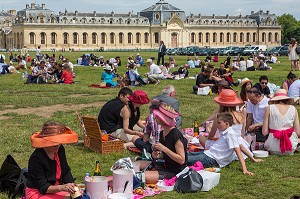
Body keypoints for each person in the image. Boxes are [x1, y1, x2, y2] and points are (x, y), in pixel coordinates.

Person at [188, 112, 262, 175]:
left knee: (185, 159)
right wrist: (253, 159)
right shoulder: (228, 132)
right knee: (187, 154)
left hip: (212, 159)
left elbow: (238, 151)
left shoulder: (230, 134)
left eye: (219, 123)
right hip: (208, 154)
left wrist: (244, 169)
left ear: (226, 124)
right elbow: (242, 147)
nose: (217, 125)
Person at [26, 121, 78, 199]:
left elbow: (66, 171)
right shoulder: (36, 158)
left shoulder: (60, 149)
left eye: (59, 141)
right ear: (45, 140)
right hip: (37, 191)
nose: (57, 145)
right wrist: (62, 188)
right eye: (53, 142)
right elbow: (43, 187)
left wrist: (72, 186)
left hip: (56, 188)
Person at [145, 103, 187, 183]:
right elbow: (167, 156)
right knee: (139, 165)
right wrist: (157, 155)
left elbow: (181, 160)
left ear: (163, 119)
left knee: (142, 177)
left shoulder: (175, 134)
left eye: (157, 116)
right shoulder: (162, 133)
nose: (155, 117)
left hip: (176, 171)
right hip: (166, 166)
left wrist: (164, 149)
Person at [262, 89, 300, 155]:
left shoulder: (269, 108)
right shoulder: (293, 109)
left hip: (273, 146)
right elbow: (297, 132)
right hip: (290, 146)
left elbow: (264, 132)